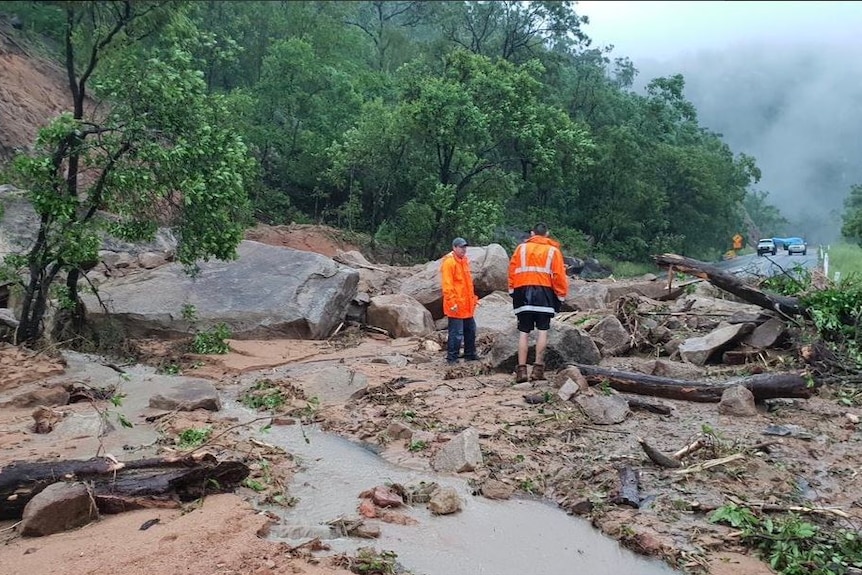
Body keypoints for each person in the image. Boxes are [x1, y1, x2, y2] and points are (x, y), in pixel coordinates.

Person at [507, 223, 569, 382]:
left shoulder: (520, 249)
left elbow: (512, 271)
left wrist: (512, 291)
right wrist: (560, 296)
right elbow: (559, 276)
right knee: (543, 331)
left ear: (532, 233)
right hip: (544, 293)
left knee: (524, 332)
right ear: (547, 234)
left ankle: (521, 371)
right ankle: (538, 369)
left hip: (522, 292)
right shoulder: (553, 251)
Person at [440, 237, 479, 365]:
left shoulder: (463, 261)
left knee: (470, 330)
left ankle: (470, 354)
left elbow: (468, 284)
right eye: (461, 247)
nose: (464, 249)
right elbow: (447, 285)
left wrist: (473, 299)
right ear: (454, 248)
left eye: (465, 247)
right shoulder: (449, 262)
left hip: (466, 304)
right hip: (456, 305)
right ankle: (452, 358)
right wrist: (452, 303)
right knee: (456, 333)